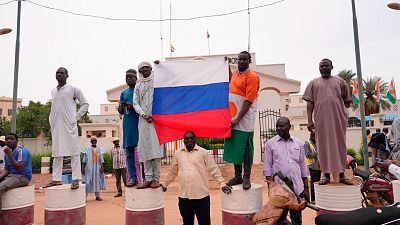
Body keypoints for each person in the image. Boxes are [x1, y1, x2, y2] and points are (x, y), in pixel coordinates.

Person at [161, 131, 232, 225]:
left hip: (202, 197)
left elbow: (213, 169)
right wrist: (164, 185)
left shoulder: (204, 153)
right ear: (184, 141)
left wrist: (222, 184)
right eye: (187, 138)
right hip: (184, 198)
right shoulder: (178, 154)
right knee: (187, 223)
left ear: (196, 140)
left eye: (192, 138)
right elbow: (172, 172)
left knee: (205, 223)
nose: (189, 140)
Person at [302, 59, 353, 185]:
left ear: (332, 67)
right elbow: (310, 103)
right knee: (322, 146)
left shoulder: (340, 81)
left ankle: (342, 174)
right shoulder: (313, 83)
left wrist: (336, 106)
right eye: (321, 66)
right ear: (319, 68)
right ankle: (325, 174)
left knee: (340, 145)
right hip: (321, 120)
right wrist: (309, 120)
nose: (324, 68)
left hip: (338, 119)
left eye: (326, 66)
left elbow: (347, 101)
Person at [46, 67, 89, 189]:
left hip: (69, 125)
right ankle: (56, 179)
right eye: (57, 73)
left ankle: (76, 178)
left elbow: (85, 104)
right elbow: (53, 107)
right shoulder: (53, 90)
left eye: (62, 73)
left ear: (67, 75)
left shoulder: (73, 89)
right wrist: (51, 120)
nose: (59, 75)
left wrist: (74, 118)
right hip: (56, 126)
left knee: (73, 151)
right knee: (57, 152)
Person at [223, 51, 260, 190]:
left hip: (244, 118)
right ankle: (237, 175)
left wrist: (238, 118)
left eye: (245, 59)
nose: (241, 62)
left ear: (249, 61)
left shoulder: (252, 77)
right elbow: (230, 78)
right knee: (235, 147)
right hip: (233, 116)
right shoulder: (236, 75)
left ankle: (246, 177)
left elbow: (249, 100)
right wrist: (226, 65)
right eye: (239, 60)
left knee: (245, 149)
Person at [263, 117, 309, 225]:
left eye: (281, 126)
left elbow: (302, 165)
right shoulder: (270, 144)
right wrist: (270, 188)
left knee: (297, 220)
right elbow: (267, 167)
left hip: (297, 190)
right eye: (277, 126)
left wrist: (306, 188)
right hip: (280, 191)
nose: (278, 128)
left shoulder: (298, 143)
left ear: (289, 127)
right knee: (279, 220)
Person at [133, 61, 164, 189]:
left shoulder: (157, 81)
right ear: (140, 72)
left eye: (147, 68)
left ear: (151, 69)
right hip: (144, 121)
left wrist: (159, 65)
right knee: (145, 150)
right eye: (142, 69)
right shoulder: (138, 85)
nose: (145, 70)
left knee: (156, 151)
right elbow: (135, 103)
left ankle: (156, 179)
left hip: (157, 121)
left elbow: (166, 75)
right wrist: (144, 115)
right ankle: (148, 178)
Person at [118, 69, 141, 187]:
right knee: (129, 152)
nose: (129, 79)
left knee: (142, 152)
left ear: (136, 78)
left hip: (139, 123)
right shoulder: (123, 93)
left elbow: (143, 105)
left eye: (131, 77)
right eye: (127, 77)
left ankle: (145, 177)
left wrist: (133, 107)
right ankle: (133, 177)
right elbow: (120, 111)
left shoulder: (140, 90)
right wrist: (122, 107)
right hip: (127, 124)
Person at [0, 133, 32, 213]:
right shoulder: (7, 153)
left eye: (11, 139)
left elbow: (19, 167)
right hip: (11, 176)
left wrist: (10, 155)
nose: (9, 141)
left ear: (17, 141)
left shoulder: (21, 151)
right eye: (7, 139)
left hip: (22, 176)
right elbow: (7, 169)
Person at [81, 136, 106, 201]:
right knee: (87, 182)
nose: (94, 142)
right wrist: (83, 168)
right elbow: (84, 160)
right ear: (90, 142)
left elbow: (101, 160)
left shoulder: (100, 149)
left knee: (97, 181)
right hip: (89, 169)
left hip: (97, 168)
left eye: (95, 140)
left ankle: (97, 196)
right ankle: (84, 198)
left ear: (96, 141)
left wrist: (102, 168)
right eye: (93, 141)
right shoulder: (86, 149)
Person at [304, 130, 320, 203]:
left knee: (318, 183)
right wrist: (316, 154)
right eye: (315, 136)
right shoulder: (307, 143)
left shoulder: (316, 143)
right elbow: (307, 154)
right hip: (312, 166)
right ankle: (313, 199)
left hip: (318, 166)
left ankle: (317, 198)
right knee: (313, 183)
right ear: (312, 136)